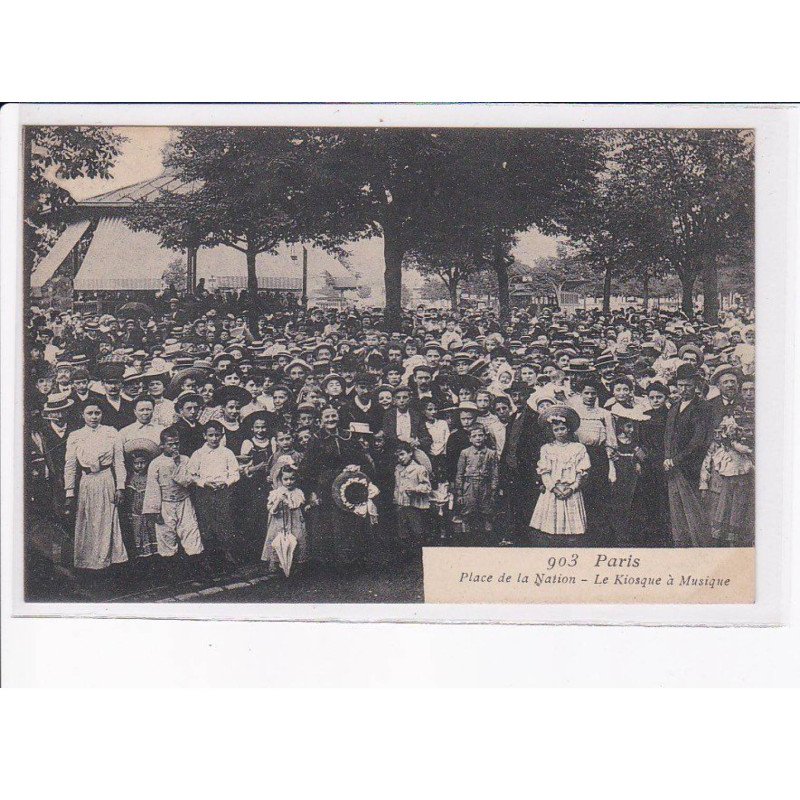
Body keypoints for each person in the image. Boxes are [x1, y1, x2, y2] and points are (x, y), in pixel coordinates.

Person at [63, 399, 128, 573]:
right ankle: (90, 564)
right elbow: (70, 465)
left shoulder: (111, 433)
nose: (93, 417)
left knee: (108, 519)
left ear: (102, 414)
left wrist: (120, 487)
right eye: (89, 413)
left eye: (97, 413)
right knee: (89, 520)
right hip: (87, 482)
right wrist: (69, 492)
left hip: (107, 480)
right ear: (82, 415)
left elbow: (119, 462)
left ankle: (109, 562)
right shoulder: (75, 436)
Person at [142, 426, 204, 570]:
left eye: (177, 443)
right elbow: (152, 488)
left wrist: (177, 464)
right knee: (166, 535)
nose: (174, 447)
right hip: (165, 503)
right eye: (170, 444)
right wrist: (155, 510)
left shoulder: (185, 460)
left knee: (190, 532)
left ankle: (195, 570)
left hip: (184, 501)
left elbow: (187, 481)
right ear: (162, 446)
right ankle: (170, 573)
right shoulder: (156, 463)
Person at [529, 405, 591, 544]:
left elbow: (581, 471)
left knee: (573, 533)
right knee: (550, 530)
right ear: (551, 431)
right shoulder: (547, 448)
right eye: (556, 430)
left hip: (571, 490)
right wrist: (553, 488)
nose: (560, 432)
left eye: (562, 429)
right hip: (553, 490)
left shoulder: (578, 448)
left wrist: (572, 488)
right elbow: (544, 472)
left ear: (568, 429)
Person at [664, 364, 709, 546]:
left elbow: (698, 441)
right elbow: (668, 434)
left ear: (695, 385)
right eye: (680, 385)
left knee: (693, 511)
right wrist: (667, 457)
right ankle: (680, 546)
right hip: (672, 467)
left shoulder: (701, 407)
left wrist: (676, 460)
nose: (684, 389)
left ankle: (699, 548)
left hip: (689, 466)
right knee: (677, 511)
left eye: (688, 385)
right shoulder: (674, 407)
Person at [187, 419, 242, 564]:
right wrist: (204, 483)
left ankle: (227, 554)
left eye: (217, 435)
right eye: (211, 435)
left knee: (225, 522)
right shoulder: (198, 454)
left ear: (222, 436)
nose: (214, 438)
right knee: (206, 523)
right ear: (204, 435)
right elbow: (191, 474)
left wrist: (226, 482)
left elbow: (235, 473)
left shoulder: (227, 453)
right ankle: (210, 556)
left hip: (223, 492)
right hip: (205, 492)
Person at [454, 425, 499, 545]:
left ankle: (488, 540)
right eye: (474, 436)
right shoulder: (465, 453)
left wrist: (493, 490)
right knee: (467, 511)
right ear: (470, 438)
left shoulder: (491, 453)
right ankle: (466, 540)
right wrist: (459, 493)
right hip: (469, 486)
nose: (478, 438)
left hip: (485, 485)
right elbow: (460, 473)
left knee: (487, 512)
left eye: (480, 435)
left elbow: (495, 473)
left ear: (485, 437)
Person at [261, 464, 308, 575]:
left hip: (294, 521)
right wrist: (278, 500)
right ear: (280, 479)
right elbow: (271, 510)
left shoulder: (298, 492)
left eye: (292, 479)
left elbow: (295, 506)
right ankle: (277, 564)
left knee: (297, 539)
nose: (289, 482)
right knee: (278, 540)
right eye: (285, 479)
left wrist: (288, 501)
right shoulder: (276, 493)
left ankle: (295, 564)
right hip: (279, 522)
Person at [393, 440, 432, 561]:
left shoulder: (419, 469)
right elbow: (397, 486)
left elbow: (427, 487)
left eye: (402, 454)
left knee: (417, 531)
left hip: (414, 505)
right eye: (397, 455)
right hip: (401, 504)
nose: (400, 458)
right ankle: (406, 557)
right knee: (402, 531)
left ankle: (419, 557)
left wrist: (415, 489)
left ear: (410, 453)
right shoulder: (398, 468)